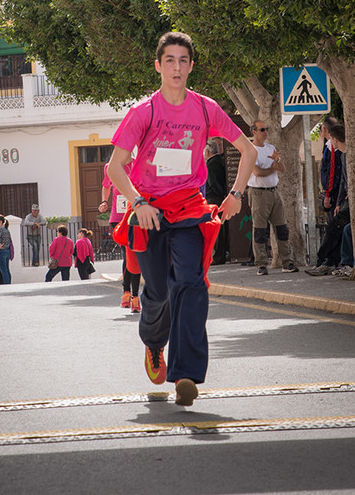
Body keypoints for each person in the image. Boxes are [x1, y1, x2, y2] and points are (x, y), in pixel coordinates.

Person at [108, 31, 256, 407]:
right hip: (150, 213)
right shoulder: (144, 112)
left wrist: (236, 194)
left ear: (191, 66)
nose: (176, 67)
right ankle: (154, 343)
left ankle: (186, 374)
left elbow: (249, 150)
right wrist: (138, 202)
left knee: (191, 284)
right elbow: (115, 167)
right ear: (158, 66)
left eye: (183, 61)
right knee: (158, 293)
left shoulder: (206, 109)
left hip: (190, 210)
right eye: (170, 60)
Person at [247, 121, 298, 275]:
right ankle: (261, 264)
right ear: (254, 132)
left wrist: (277, 162)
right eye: (262, 129)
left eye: (266, 129)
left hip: (274, 191)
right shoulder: (250, 150)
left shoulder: (270, 148)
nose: (265, 132)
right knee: (260, 230)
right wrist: (273, 168)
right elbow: (257, 172)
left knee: (282, 228)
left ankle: (287, 262)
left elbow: (282, 169)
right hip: (258, 193)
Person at [306, 124, 349, 276]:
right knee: (335, 229)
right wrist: (338, 203)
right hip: (343, 200)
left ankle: (325, 261)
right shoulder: (341, 155)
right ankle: (327, 262)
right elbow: (343, 181)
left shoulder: (347, 154)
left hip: (350, 200)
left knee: (335, 229)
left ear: (335, 139)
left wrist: (330, 195)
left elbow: (334, 176)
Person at [99, 161, 141, 311]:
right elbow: (106, 185)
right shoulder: (110, 166)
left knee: (134, 255)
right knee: (127, 255)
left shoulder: (138, 163)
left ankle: (133, 297)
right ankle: (128, 294)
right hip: (117, 219)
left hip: (134, 216)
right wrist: (104, 201)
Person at [205, 139, 229, 265]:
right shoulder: (220, 161)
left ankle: (218, 256)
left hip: (214, 198)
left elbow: (212, 183)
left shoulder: (210, 164)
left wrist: (220, 193)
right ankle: (222, 254)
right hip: (220, 197)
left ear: (207, 152)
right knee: (221, 226)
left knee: (216, 228)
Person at [319, 116, 342, 222]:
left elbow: (332, 171)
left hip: (334, 194)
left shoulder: (332, 146)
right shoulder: (329, 145)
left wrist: (328, 194)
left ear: (325, 129)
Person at [0, 214, 13, 285]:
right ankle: (8, 283)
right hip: (7, 251)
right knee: (6, 270)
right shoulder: (6, 229)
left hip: (1, 251)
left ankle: (6, 285)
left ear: (0, 221)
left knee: (3, 270)